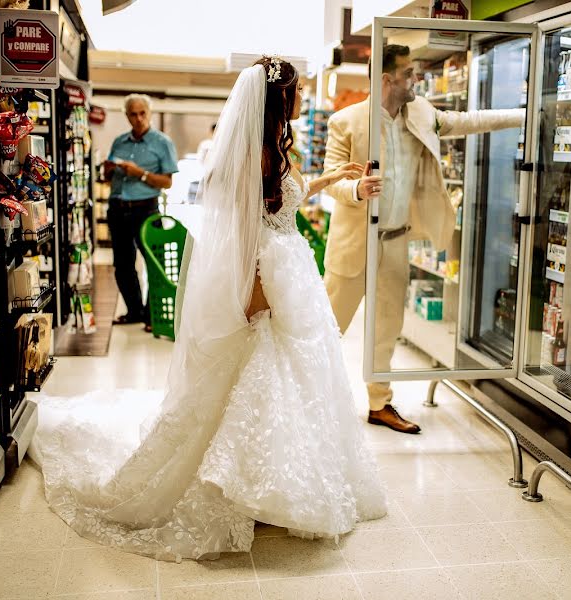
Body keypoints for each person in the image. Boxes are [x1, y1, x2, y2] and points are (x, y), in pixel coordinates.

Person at [29, 57, 387, 561]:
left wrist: (332, 180)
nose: (303, 98)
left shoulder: (271, 151)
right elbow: (246, 234)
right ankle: (248, 484)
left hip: (288, 272)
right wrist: (256, 297)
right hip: (270, 279)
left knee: (290, 381)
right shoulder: (257, 155)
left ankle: (271, 481)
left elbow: (284, 202)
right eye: (298, 91)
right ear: (279, 100)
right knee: (260, 381)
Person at [322, 44, 525, 434]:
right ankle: (303, 401)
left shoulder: (421, 113)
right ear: (387, 79)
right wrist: (356, 189)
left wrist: (523, 115)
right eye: (409, 72)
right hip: (354, 243)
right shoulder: (345, 121)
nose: (416, 78)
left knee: (386, 330)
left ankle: (380, 404)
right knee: (327, 328)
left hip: (396, 241)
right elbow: (332, 177)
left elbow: (468, 120)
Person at [104, 94, 179, 332]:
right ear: (127, 116)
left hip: (145, 208)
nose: (138, 118)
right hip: (117, 208)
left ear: (150, 113)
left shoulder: (162, 142)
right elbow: (108, 176)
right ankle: (134, 311)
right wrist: (108, 171)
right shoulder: (119, 142)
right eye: (133, 114)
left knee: (152, 262)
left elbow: (167, 182)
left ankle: (151, 315)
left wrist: (139, 173)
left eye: (142, 113)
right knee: (122, 265)